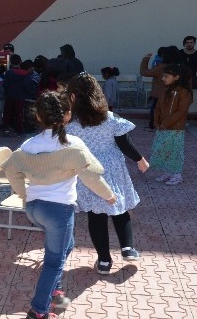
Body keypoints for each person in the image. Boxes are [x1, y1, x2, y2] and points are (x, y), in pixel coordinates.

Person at [1, 91, 116, 319]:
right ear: (67, 115)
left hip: (34, 208)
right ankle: (39, 311)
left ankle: (55, 289)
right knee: (54, 261)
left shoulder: (28, 145)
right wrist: (109, 195)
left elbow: (10, 169)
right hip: (58, 210)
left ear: (38, 117)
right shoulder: (73, 144)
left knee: (66, 246)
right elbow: (92, 176)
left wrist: (23, 193)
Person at [65, 73, 149, 275]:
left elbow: (66, 149)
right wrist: (140, 159)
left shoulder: (71, 125)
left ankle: (104, 260)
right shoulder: (110, 119)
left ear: (73, 97)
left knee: (96, 215)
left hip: (87, 172)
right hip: (112, 170)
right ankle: (128, 248)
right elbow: (124, 143)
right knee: (119, 206)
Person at [150, 64, 193, 185]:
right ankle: (167, 172)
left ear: (176, 77)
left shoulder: (184, 92)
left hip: (175, 128)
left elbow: (181, 111)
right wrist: (157, 122)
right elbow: (157, 107)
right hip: (163, 127)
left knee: (175, 151)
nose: (163, 78)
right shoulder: (166, 90)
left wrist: (165, 123)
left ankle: (177, 175)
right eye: (163, 76)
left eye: (166, 76)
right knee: (163, 149)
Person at [140, 46, 180, 130]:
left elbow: (144, 72)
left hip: (159, 93)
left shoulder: (161, 67)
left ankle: (154, 124)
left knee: (156, 109)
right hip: (174, 93)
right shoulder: (178, 67)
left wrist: (146, 59)